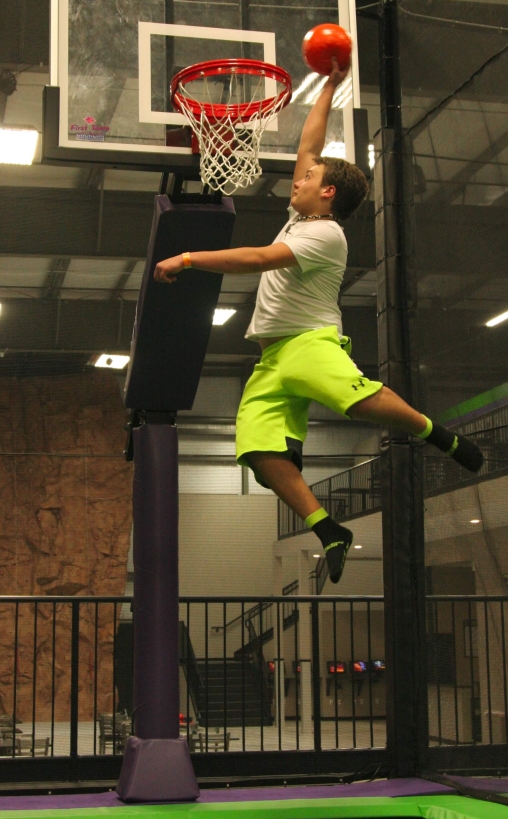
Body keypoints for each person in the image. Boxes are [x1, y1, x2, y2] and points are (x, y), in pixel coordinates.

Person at [154, 59, 483, 585]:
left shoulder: (324, 235)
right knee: (258, 452)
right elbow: (311, 144)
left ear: (327, 193)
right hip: (273, 357)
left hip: (309, 343)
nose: (300, 175)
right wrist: (330, 84)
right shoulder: (303, 215)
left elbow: (261, 259)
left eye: (310, 177)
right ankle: (329, 529)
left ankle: (435, 434)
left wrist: (189, 259)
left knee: (356, 399)